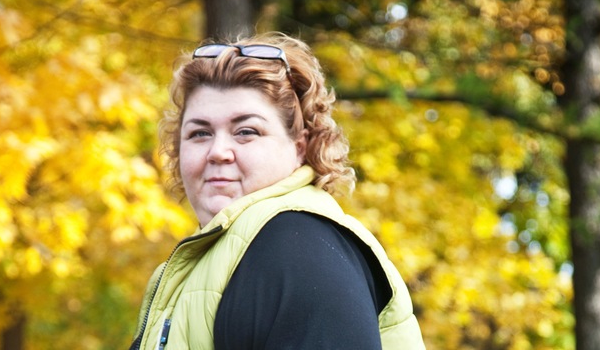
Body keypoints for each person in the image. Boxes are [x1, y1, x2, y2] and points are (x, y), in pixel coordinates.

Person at [128, 32, 425, 349]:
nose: (217, 152)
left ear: (300, 147)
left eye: (246, 131)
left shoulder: (299, 248)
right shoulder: (206, 262)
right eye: (200, 133)